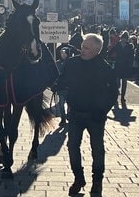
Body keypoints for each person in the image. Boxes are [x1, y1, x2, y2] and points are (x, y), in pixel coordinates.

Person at [52, 33, 118, 195]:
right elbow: (63, 81)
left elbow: (112, 94)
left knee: (97, 149)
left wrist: (102, 111)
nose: (82, 49)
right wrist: (55, 84)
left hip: (95, 116)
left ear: (96, 50)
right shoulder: (72, 63)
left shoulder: (105, 68)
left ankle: (97, 182)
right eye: (82, 46)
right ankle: (78, 178)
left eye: (86, 48)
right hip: (75, 113)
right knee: (72, 146)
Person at [107, 31, 134, 103]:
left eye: (125, 38)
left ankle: (123, 97)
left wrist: (130, 63)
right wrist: (107, 54)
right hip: (118, 65)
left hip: (126, 66)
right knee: (117, 83)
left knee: (124, 83)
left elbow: (132, 56)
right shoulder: (118, 45)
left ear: (127, 39)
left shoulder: (129, 46)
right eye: (123, 38)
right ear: (121, 38)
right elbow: (110, 52)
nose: (124, 40)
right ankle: (115, 95)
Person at [55, 47, 71, 126]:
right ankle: (63, 118)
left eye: (64, 53)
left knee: (70, 104)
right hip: (61, 87)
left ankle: (69, 116)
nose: (63, 55)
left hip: (70, 87)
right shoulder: (57, 63)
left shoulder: (71, 62)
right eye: (61, 53)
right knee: (61, 104)